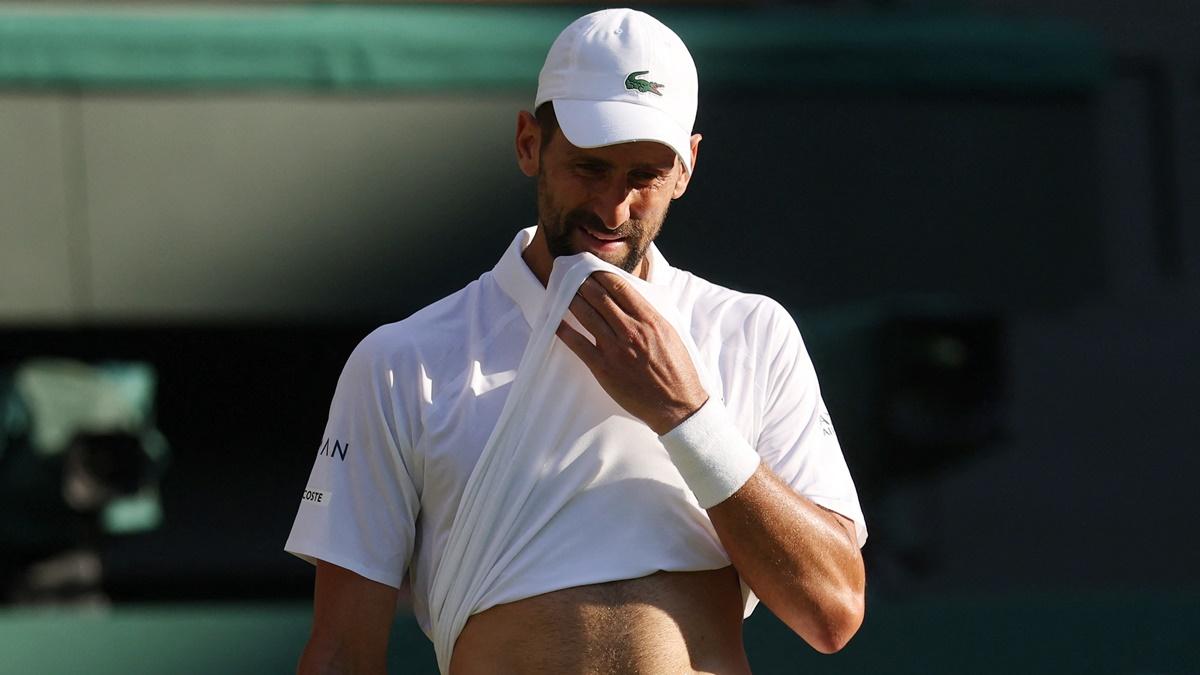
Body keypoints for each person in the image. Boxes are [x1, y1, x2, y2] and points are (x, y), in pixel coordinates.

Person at [287, 8, 866, 674]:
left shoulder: (754, 334)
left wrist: (686, 416)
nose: (613, 207)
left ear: (687, 167)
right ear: (529, 143)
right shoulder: (400, 362)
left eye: (644, 175)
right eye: (589, 167)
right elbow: (340, 652)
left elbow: (833, 611)